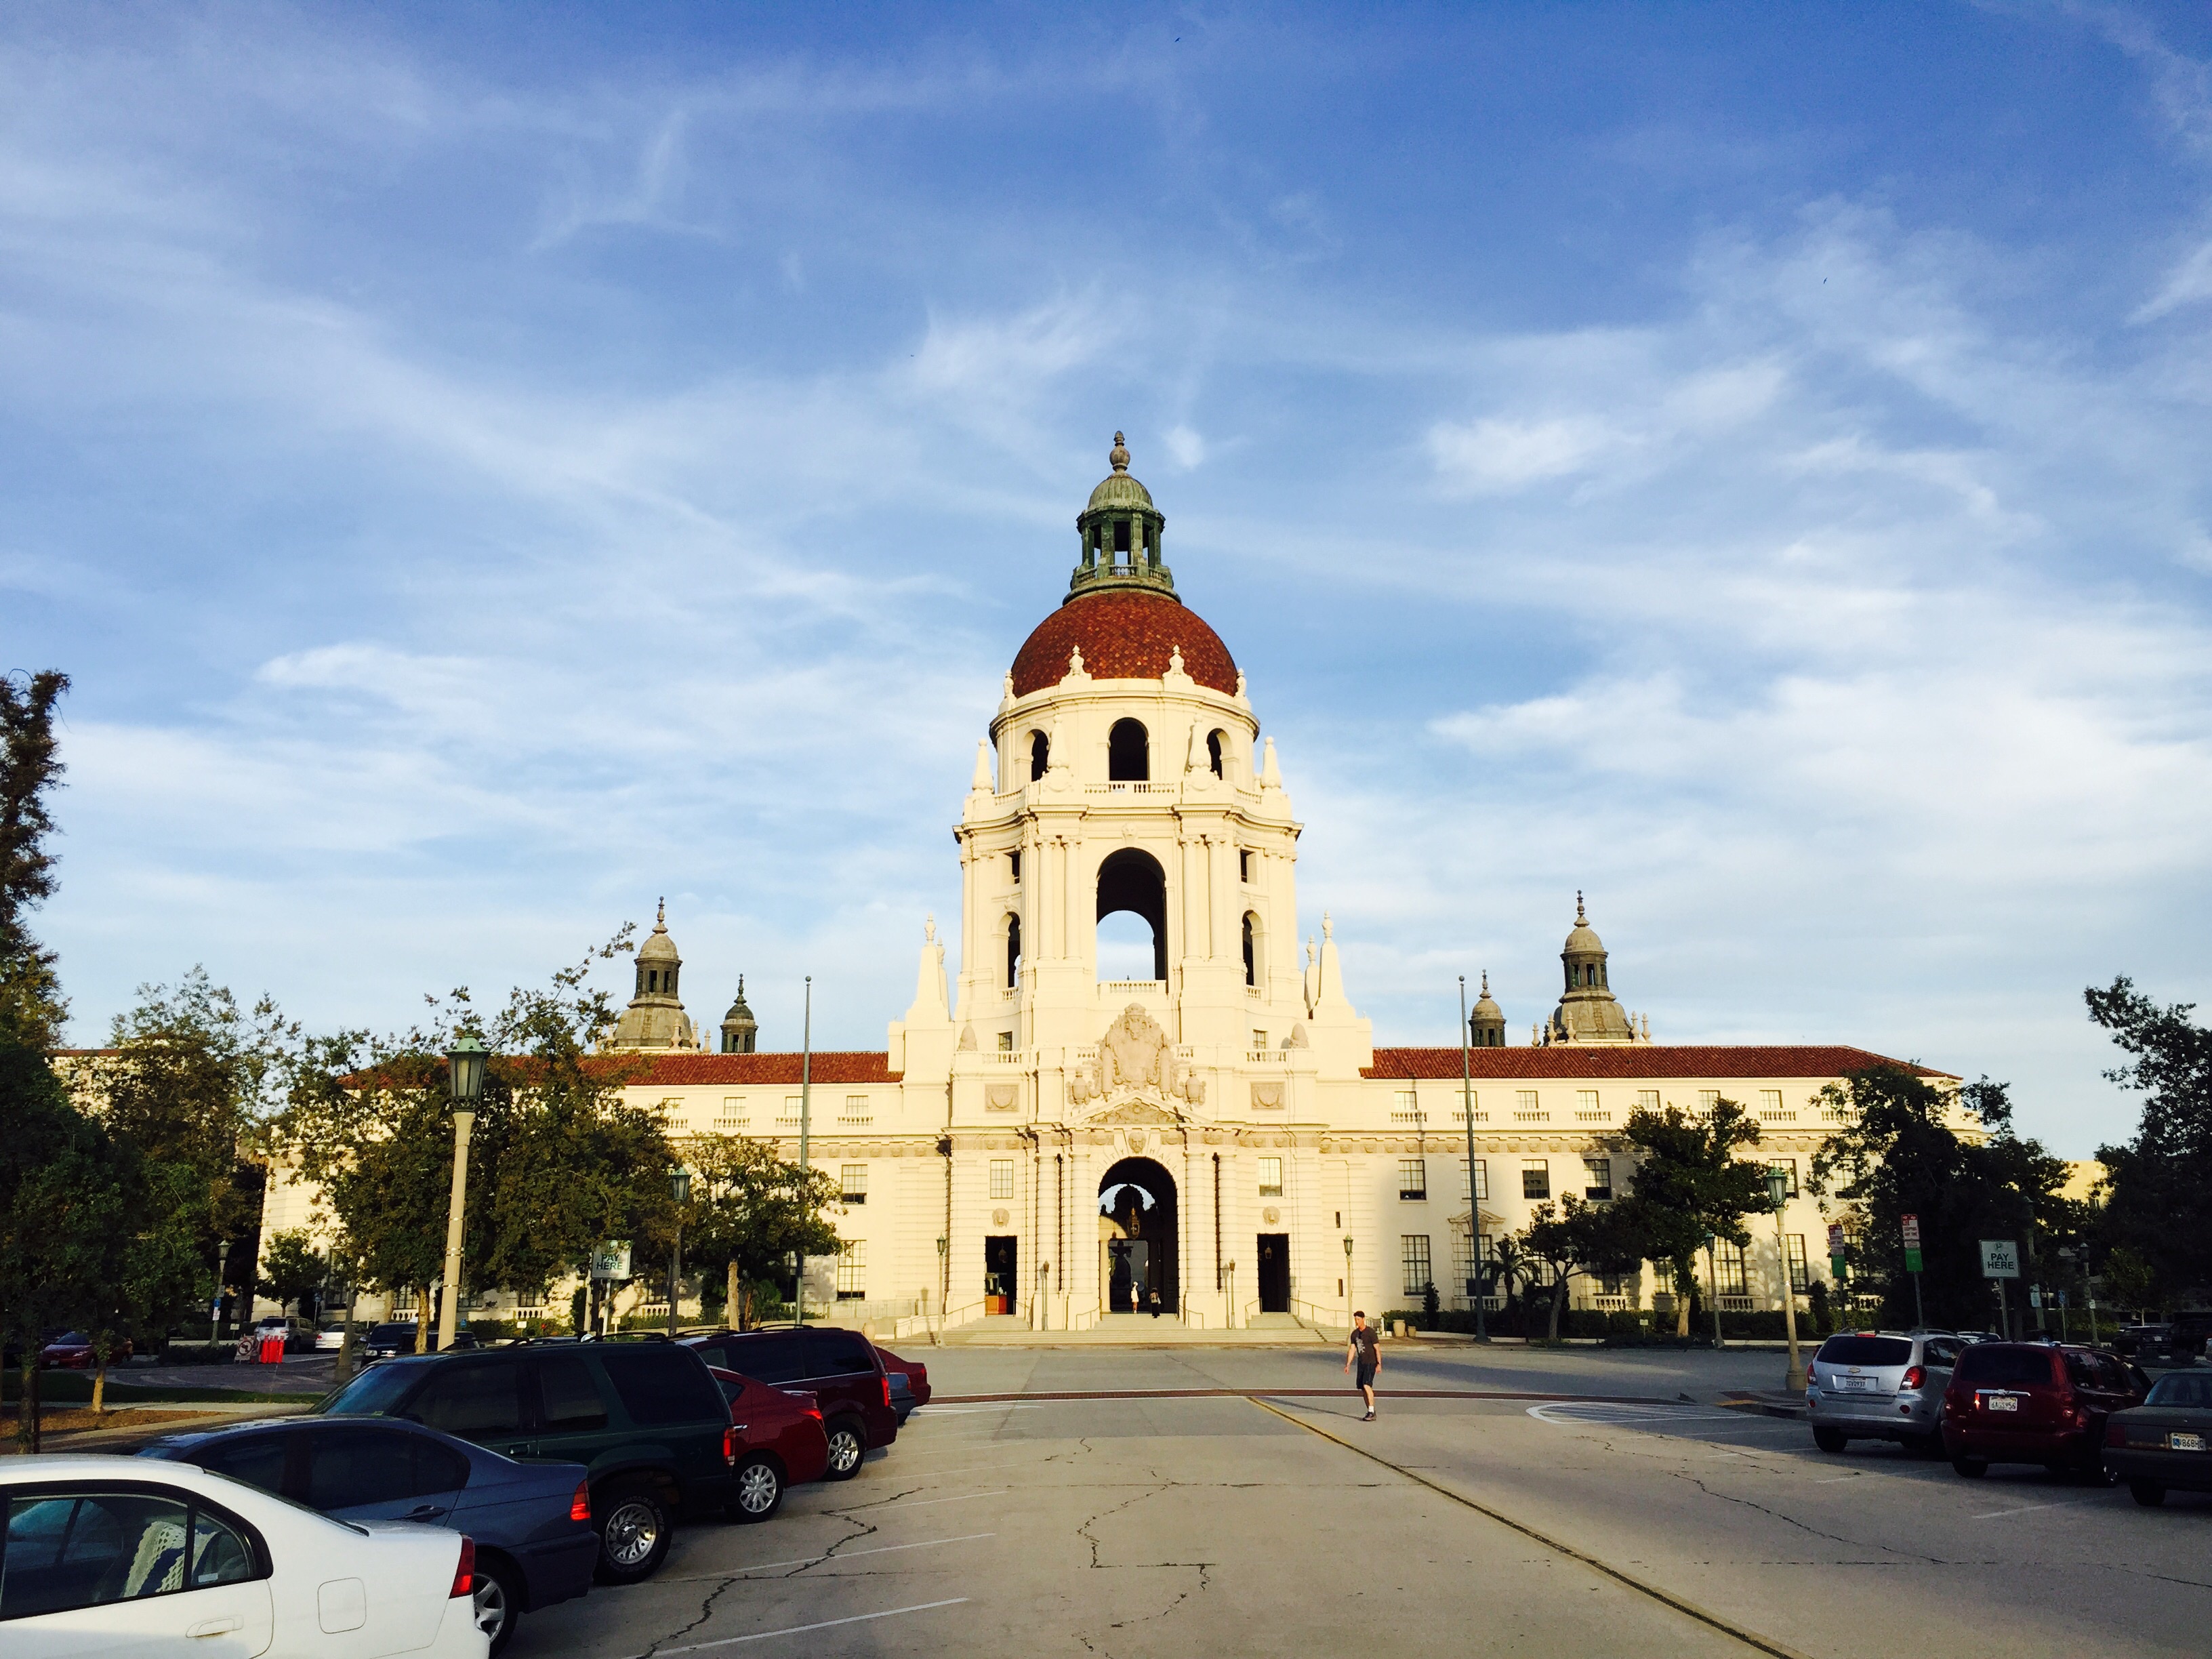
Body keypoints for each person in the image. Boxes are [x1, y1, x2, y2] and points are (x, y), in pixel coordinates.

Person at [1345, 1311, 1380, 1420]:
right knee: (1363, 1388)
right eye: (1356, 1319)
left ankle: (1371, 1411)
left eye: (1359, 1319)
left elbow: (1377, 1349)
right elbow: (1352, 1350)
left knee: (1367, 1385)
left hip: (1371, 1362)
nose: (1357, 1322)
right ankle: (1371, 1410)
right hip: (1361, 1363)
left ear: (1363, 1319)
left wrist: (1379, 1363)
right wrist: (1348, 1364)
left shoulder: (1370, 1332)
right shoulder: (1355, 1334)